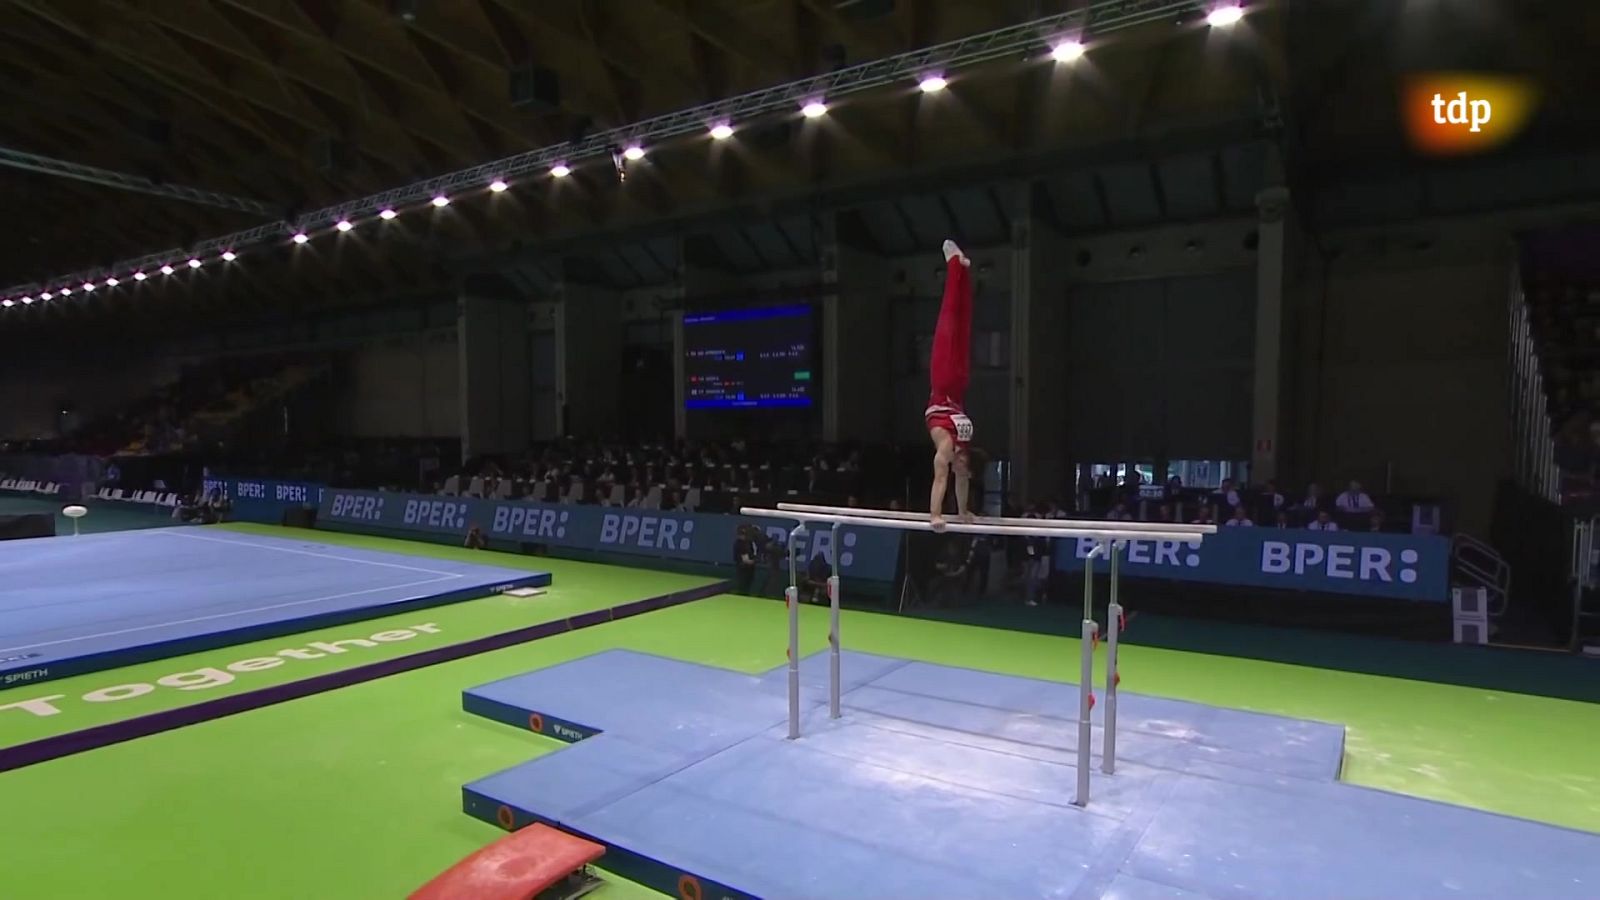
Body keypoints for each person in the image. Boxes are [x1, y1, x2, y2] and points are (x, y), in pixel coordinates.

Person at [926, 239, 976, 530]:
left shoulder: (946, 447)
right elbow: (960, 481)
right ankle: (964, 272)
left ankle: (954, 264)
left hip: (942, 383)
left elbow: (942, 478)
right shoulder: (964, 446)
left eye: (961, 470)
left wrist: (937, 515)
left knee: (948, 322)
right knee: (964, 326)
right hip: (958, 387)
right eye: (964, 469)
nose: (961, 472)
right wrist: (963, 511)